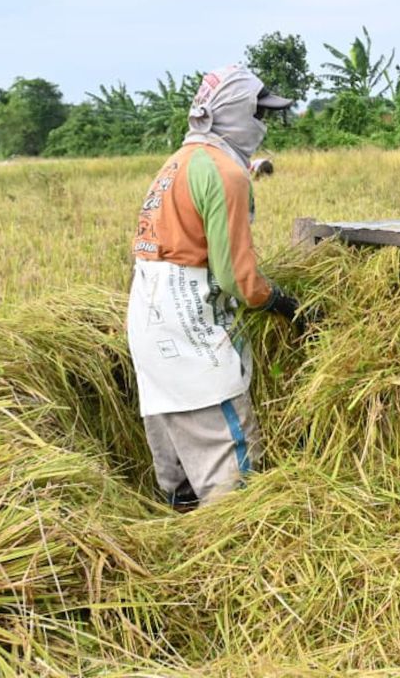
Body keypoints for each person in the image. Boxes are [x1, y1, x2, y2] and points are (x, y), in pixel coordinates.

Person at [126, 65, 307, 511]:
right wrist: (282, 303)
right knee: (234, 479)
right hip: (189, 328)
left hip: (149, 319)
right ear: (233, 112)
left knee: (179, 474)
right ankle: (232, 543)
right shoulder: (225, 172)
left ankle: (182, 530)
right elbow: (236, 278)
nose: (263, 123)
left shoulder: (180, 160)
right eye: (258, 112)